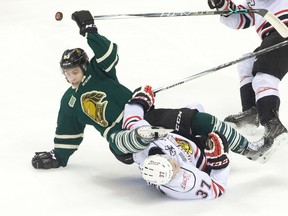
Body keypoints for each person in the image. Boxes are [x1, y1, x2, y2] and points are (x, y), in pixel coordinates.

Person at [31, 10, 270, 170]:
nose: (71, 77)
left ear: (84, 67)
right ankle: (146, 137)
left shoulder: (98, 71)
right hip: (119, 137)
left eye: (75, 71)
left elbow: (108, 52)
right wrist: (58, 157)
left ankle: (250, 149)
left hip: (146, 116)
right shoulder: (69, 102)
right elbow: (67, 132)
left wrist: (90, 31)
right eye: (67, 74)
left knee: (202, 120)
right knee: (128, 139)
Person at [207, 0, 288, 160]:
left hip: (284, 32)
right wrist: (223, 5)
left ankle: (273, 125)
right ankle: (252, 114)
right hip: (272, 37)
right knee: (246, 63)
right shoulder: (253, 2)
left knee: (264, 78)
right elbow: (240, 19)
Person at [133, 130, 230, 200]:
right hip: (200, 160)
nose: (173, 162)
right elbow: (218, 188)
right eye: (174, 166)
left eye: (168, 161)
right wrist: (220, 161)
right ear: (171, 178)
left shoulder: (142, 156)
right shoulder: (187, 184)